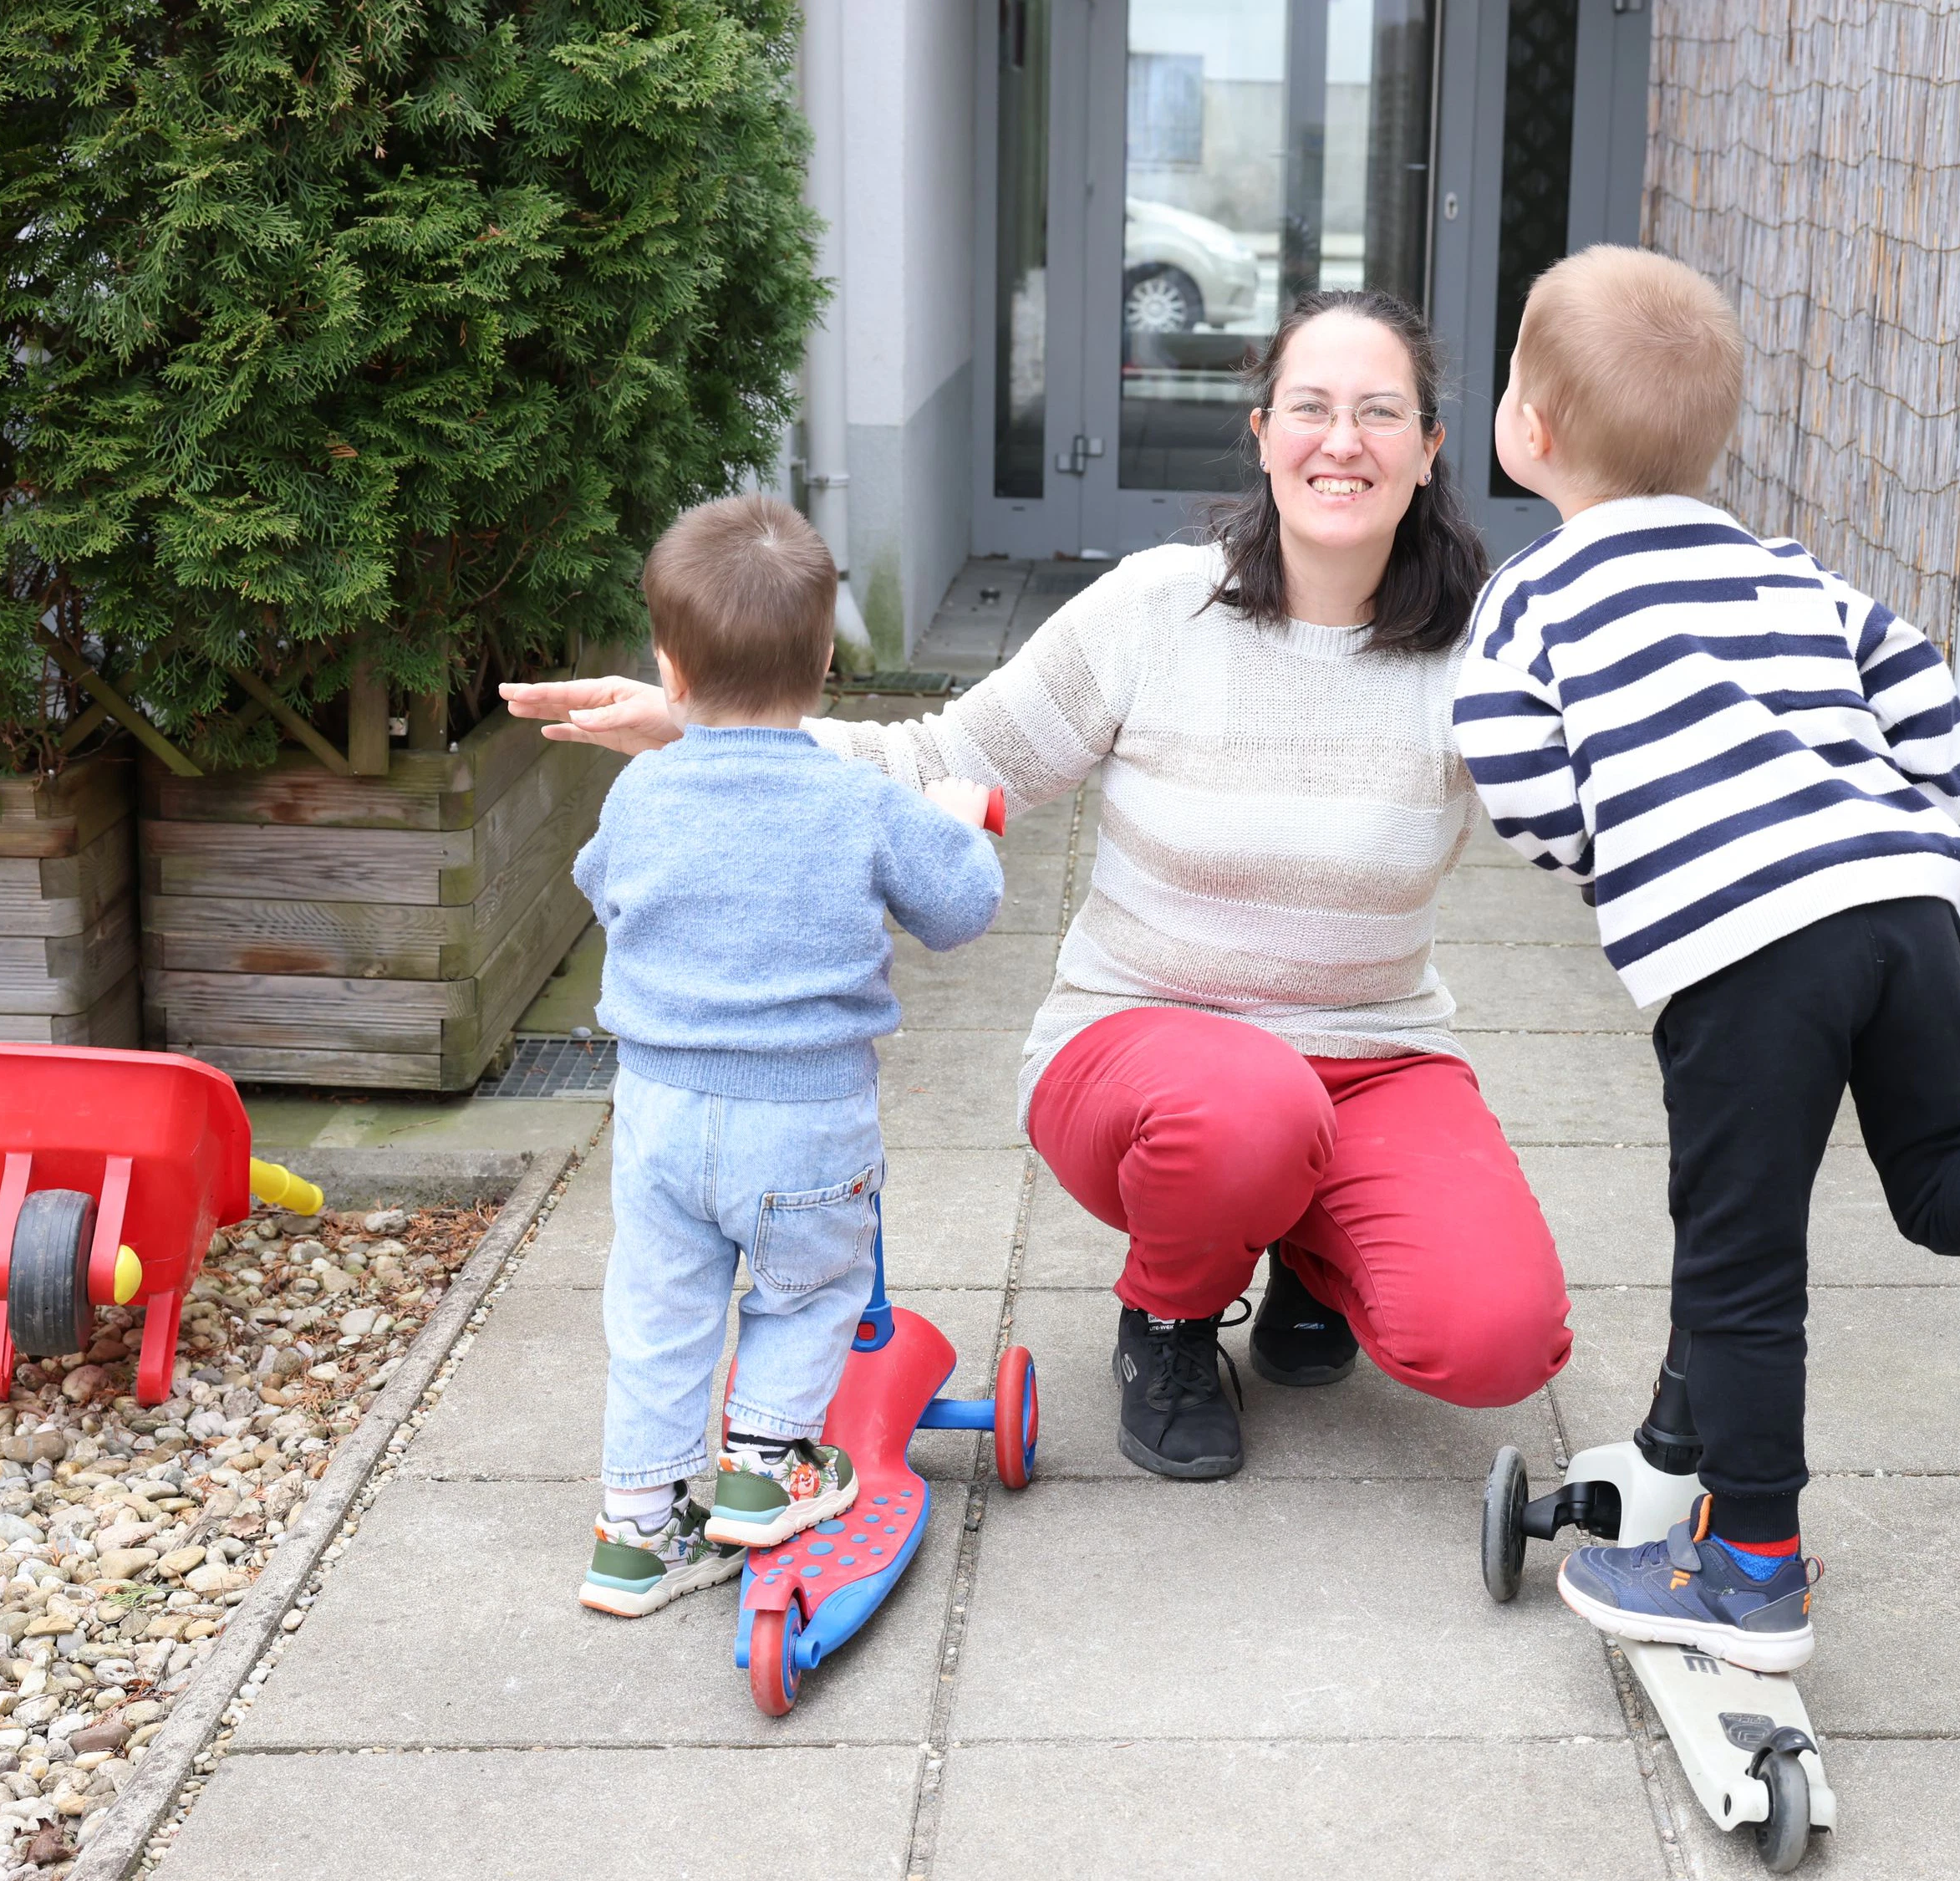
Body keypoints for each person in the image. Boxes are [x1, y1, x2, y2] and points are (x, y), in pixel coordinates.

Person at [507, 291, 1571, 1486]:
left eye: (1380, 413)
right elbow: (942, 757)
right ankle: (1170, 1316)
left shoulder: (1480, 650)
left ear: (1429, 448)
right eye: (1310, 408)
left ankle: (1311, 1253)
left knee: (1498, 1338)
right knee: (1250, 1109)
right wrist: (711, 729)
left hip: (1373, 1053)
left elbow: (1594, 807)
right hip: (1145, 1053)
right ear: (1264, 432)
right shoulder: (1158, 609)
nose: (1342, 441)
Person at [1453, 247, 1960, 1675]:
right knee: (1941, 1166)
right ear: (1714, 439)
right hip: (1902, 904)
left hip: (1742, 942)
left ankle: (1751, 1571)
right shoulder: (1789, 572)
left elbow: (1512, 772)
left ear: (1527, 428)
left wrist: (1615, 846)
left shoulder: (1537, 596)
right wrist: (1922, 847)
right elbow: (1930, 705)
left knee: (1741, 1263)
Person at [570, 495, 1005, 1618]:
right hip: (805, 1116)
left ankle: (636, 1536)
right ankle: (766, 1466)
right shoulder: (862, 799)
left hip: (660, 1112)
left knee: (658, 1313)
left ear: (669, 670)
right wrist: (959, 822)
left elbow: (600, 887)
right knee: (812, 1288)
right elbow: (960, 908)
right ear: (823, 665)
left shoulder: (642, 786)